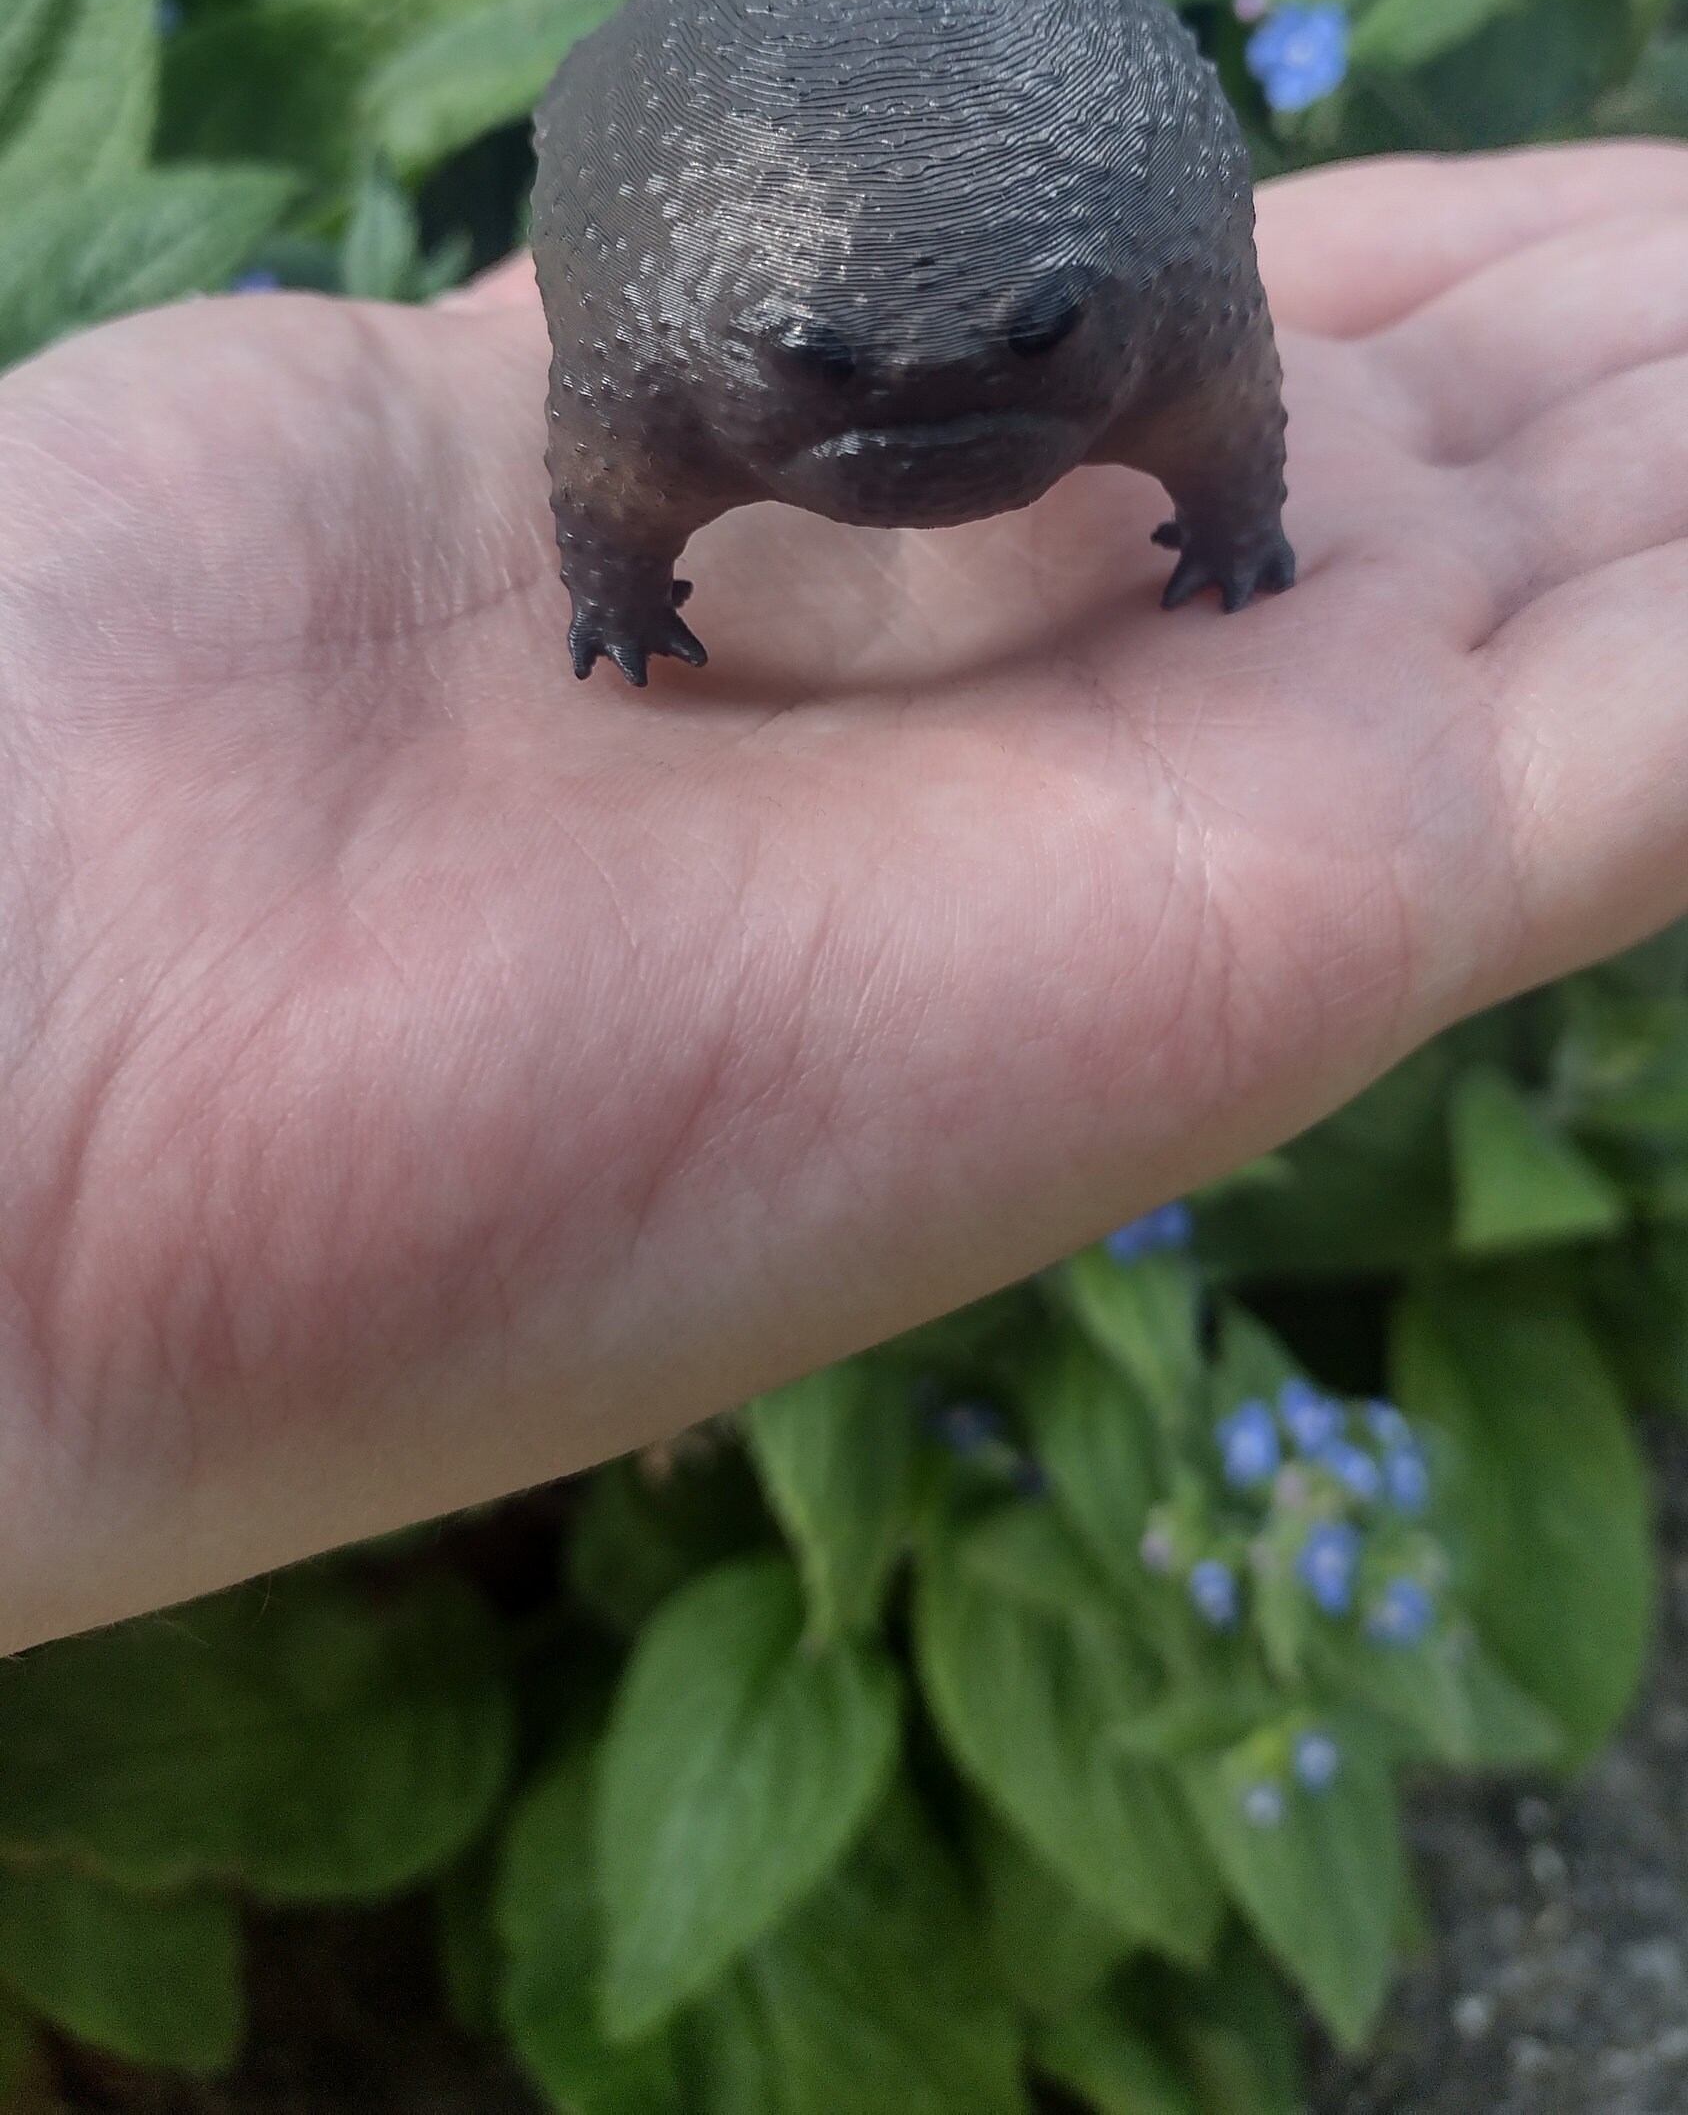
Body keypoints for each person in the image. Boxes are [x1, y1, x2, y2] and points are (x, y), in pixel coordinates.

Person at [1, 142, 1685, 1653]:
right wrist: (620, 579)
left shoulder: (1143, 293)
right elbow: (618, 423)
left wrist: (1229, 514)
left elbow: (1208, 363)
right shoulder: (655, 371)